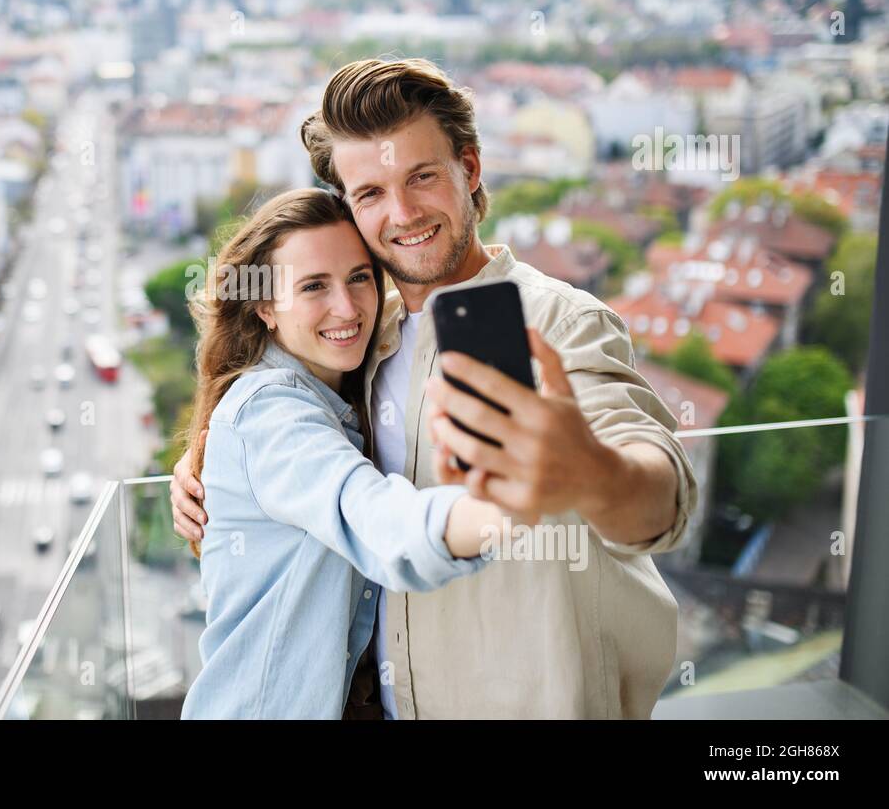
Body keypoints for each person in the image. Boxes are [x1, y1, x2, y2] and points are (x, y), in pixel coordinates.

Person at [174, 58, 699, 719]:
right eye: (370, 193)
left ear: (469, 171)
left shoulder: (561, 324)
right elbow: (332, 487)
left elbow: (662, 498)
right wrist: (213, 463)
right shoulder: (367, 338)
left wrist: (589, 471)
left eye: (422, 176)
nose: (402, 212)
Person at [178, 187, 510, 719]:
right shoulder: (269, 413)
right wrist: (498, 511)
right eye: (313, 286)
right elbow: (367, 513)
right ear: (265, 306)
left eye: (359, 277)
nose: (347, 307)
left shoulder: (338, 393)